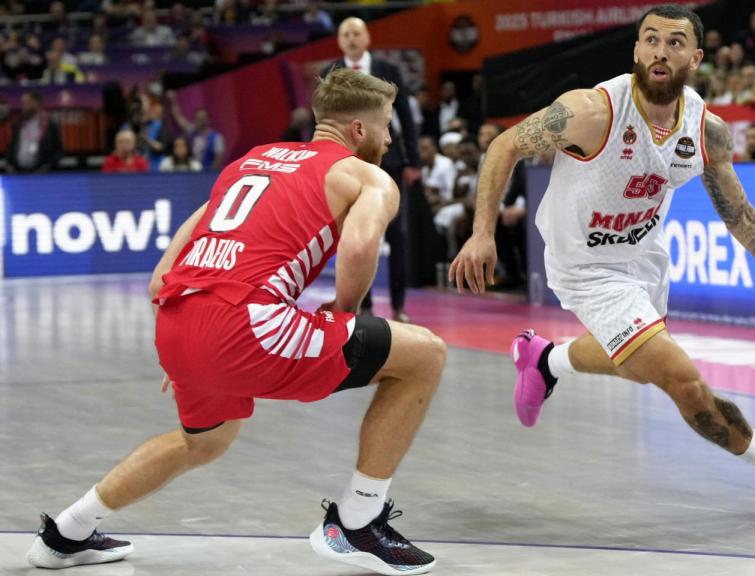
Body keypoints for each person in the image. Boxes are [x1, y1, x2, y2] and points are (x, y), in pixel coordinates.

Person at [27, 69, 444, 576]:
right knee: (424, 354)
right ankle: (359, 520)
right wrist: (344, 313)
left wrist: (191, 344)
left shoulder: (254, 160)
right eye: (384, 127)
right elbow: (358, 247)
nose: (389, 138)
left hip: (180, 317)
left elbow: (167, 268)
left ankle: (64, 534)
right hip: (244, 322)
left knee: (202, 440)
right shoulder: (367, 176)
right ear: (358, 130)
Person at [451, 4, 755, 522]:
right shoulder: (592, 112)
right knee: (681, 380)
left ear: (696, 57)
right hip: (583, 265)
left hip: (643, 259)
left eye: (675, 42)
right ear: (636, 50)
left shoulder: (706, 130)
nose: (661, 51)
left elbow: (741, 216)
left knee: (637, 369)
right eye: (651, 39)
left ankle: (544, 361)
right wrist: (483, 232)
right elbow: (504, 146)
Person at [321, 17, 421, 324]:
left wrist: (414, 160)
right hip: (346, 166)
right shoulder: (330, 72)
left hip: (387, 161)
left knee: (397, 234)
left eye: (356, 33)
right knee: (355, 236)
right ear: (339, 41)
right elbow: (323, 120)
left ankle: (399, 306)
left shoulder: (388, 71)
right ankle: (358, 306)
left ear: (366, 39)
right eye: (345, 34)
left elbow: (405, 116)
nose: (351, 39)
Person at [5, 91, 62, 173]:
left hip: (41, 173)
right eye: (22, 103)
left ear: (36, 103)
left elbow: (58, 151)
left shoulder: (50, 123)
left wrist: (47, 166)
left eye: (26, 102)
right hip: (18, 172)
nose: (23, 106)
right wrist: (9, 164)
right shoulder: (18, 123)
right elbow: (11, 146)